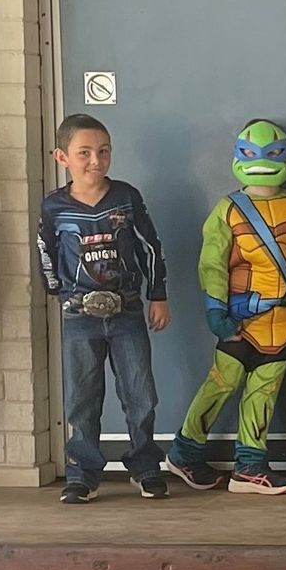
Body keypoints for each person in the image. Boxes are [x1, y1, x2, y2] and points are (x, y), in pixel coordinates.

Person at [165, 119, 286, 495]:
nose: (262, 161)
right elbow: (212, 263)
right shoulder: (228, 210)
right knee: (223, 382)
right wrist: (215, 312)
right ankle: (185, 451)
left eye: (272, 154)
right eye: (252, 153)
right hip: (241, 320)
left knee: (263, 394)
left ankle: (250, 466)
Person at [37, 114, 170, 503]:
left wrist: (157, 294)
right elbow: (46, 251)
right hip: (79, 316)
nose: (96, 160)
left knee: (140, 393)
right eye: (84, 153)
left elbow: (150, 246)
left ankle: (145, 468)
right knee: (82, 397)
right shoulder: (54, 206)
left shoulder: (126, 197)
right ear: (62, 157)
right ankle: (82, 473)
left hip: (127, 311)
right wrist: (58, 293)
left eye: (104, 151)